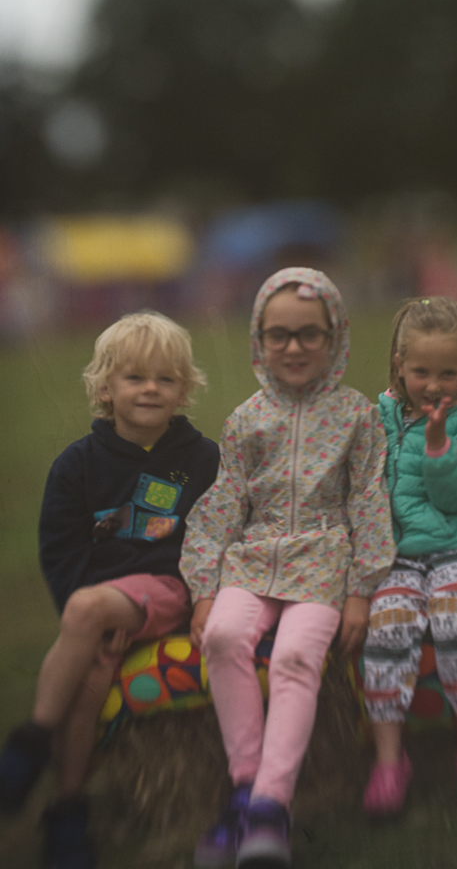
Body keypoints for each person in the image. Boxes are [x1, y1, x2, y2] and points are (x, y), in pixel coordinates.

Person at [181, 267, 395, 869]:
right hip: (255, 555)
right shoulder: (246, 419)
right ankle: (245, 791)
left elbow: (368, 501)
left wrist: (361, 590)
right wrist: (204, 588)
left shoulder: (357, 417)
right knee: (223, 637)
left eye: (308, 335)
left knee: (297, 656)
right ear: (258, 340)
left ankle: (272, 808)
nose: (294, 348)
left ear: (335, 338)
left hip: (326, 558)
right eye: (279, 335)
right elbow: (224, 504)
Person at [0, 312, 220, 869]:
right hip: (105, 604)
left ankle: (28, 743)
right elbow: (60, 551)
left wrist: (110, 608)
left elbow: (217, 539)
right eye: (134, 378)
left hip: (171, 589)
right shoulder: (76, 465)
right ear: (105, 387)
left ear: (184, 389)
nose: (151, 389)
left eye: (165, 379)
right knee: (89, 678)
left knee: (87, 604)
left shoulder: (203, 460)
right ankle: (67, 811)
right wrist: (101, 621)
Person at [361, 296, 457, 816]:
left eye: (449, 371)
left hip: (455, 546)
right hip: (397, 557)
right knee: (389, 630)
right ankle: (389, 761)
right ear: (399, 364)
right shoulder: (380, 412)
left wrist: (438, 443)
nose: (434, 385)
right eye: (421, 371)